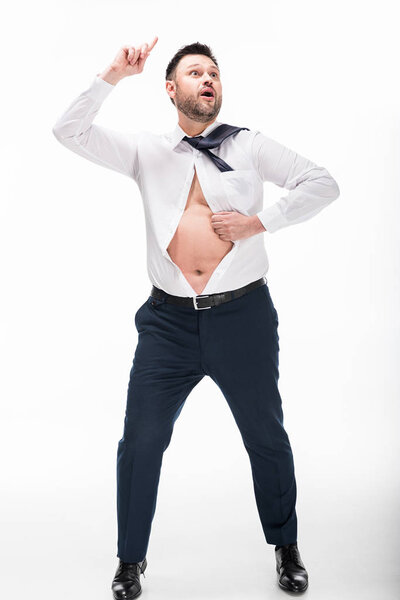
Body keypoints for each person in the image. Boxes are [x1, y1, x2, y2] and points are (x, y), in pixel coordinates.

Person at [52, 36, 340, 598]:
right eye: (195, 72)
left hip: (244, 319)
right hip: (168, 326)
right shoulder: (144, 150)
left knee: (266, 436)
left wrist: (264, 222)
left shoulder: (249, 146)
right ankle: (130, 560)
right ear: (171, 89)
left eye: (214, 72)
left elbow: (322, 183)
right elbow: (69, 132)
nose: (208, 79)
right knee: (140, 440)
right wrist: (111, 74)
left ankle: (286, 545)